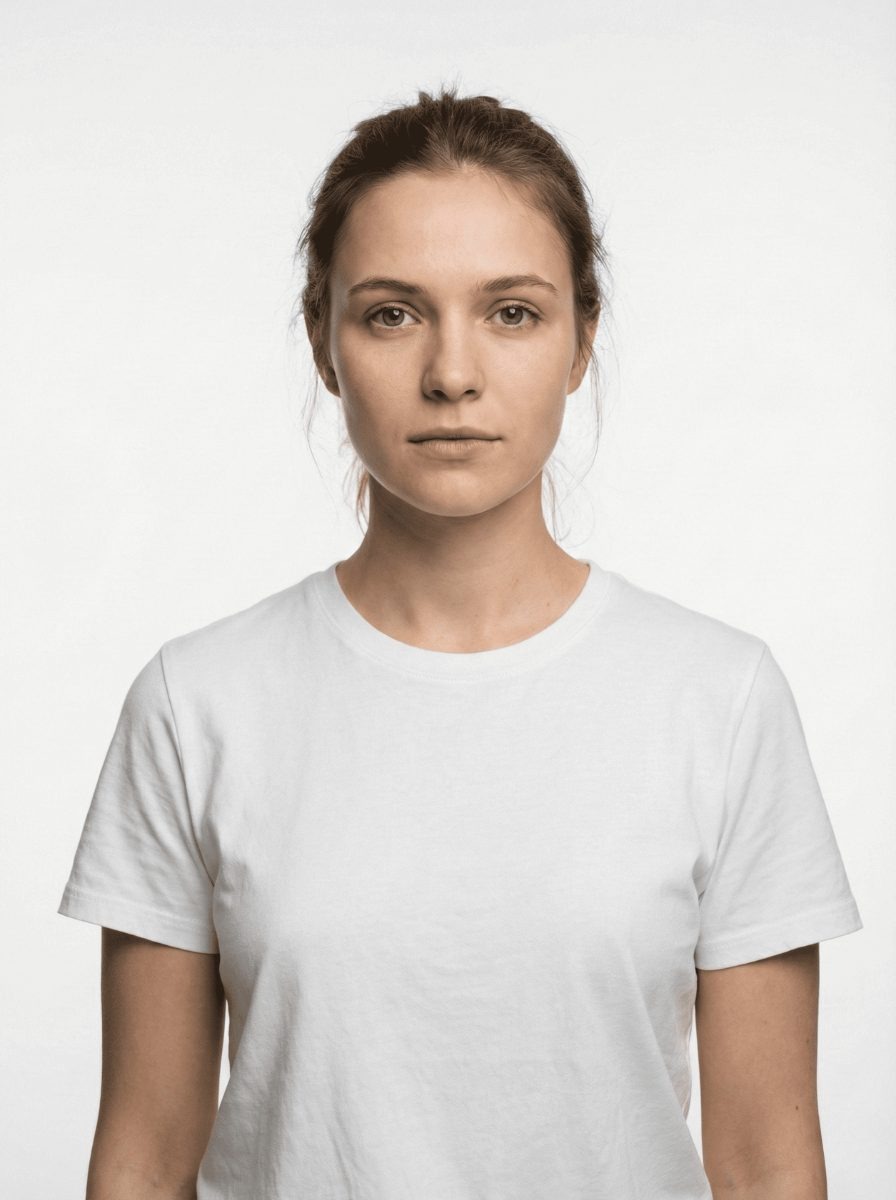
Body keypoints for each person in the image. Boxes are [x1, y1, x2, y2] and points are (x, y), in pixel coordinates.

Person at [58, 86, 862, 1199]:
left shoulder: (715, 697)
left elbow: (770, 1162)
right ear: (322, 344)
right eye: (391, 312)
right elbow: (143, 1156)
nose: (450, 373)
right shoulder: (199, 703)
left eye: (512, 312)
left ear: (582, 339)